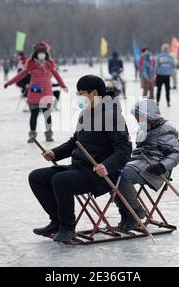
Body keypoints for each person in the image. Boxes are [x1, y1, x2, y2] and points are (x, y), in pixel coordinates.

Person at [29, 75, 132, 243]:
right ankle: (56, 221)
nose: (79, 97)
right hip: (79, 169)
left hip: (100, 174)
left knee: (60, 180)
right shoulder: (85, 114)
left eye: (81, 93)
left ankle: (68, 227)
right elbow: (75, 141)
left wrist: (106, 166)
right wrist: (55, 153)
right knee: (36, 177)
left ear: (94, 93)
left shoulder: (112, 115)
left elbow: (124, 149)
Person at [115, 99, 179, 231]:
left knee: (122, 176)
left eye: (139, 117)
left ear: (149, 115)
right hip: (139, 162)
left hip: (154, 167)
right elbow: (139, 150)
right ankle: (126, 213)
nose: (137, 121)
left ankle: (136, 211)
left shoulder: (165, 129)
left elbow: (176, 153)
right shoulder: (144, 128)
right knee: (111, 173)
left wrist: (162, 166)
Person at [4, 43, 67, 143]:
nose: (41, 55)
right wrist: (9, 82)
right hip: (35, 92)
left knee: (47, 115)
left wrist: (63, 85)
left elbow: (56, 75)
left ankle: (48, 134)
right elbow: (21, 74)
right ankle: (32, 135)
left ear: (45, 54)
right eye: (39, 53)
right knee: (34, 114)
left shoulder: (49, 64)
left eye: (43, 53)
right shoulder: (31, 64)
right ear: (36, 54)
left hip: (46, 92)